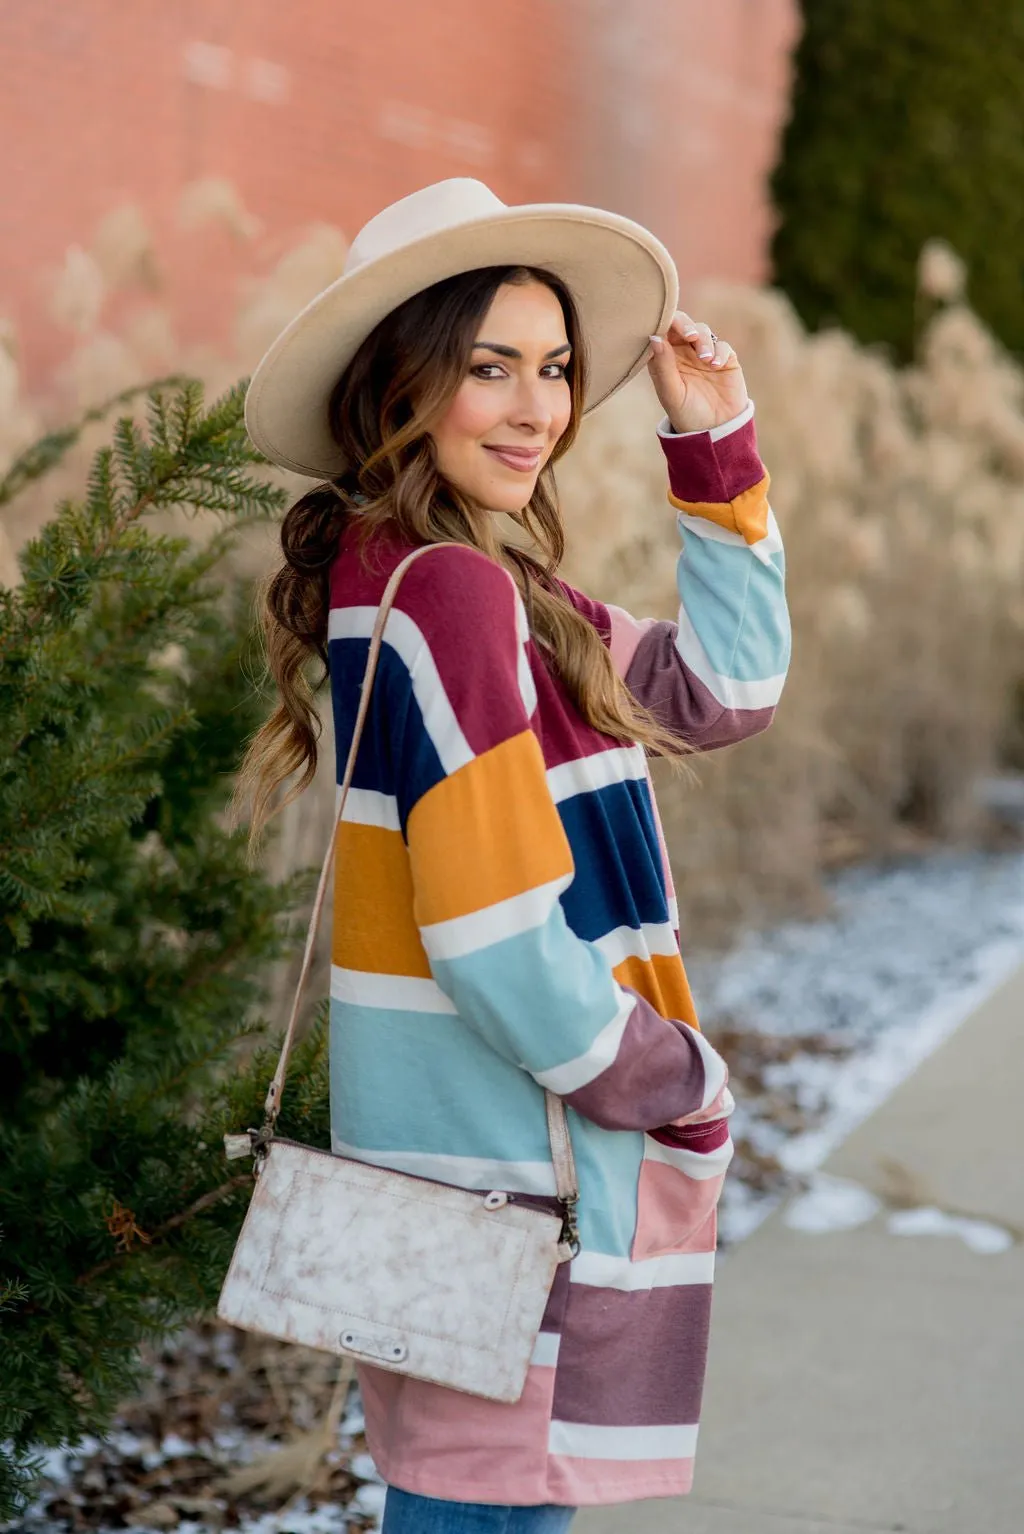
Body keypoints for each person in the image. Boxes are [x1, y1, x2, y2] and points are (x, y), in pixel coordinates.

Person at [235, 179, 790, 1533]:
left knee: (451, 1500)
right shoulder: (461, 596)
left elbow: (724, 688)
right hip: (517, 1171)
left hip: (433, 1177)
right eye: (490, 368)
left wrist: (707, 436)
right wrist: (671, 1076)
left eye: (552, 368)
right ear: (400, 385)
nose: (538, 407)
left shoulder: (431, 582)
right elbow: (493, 937)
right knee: (491, 1513)